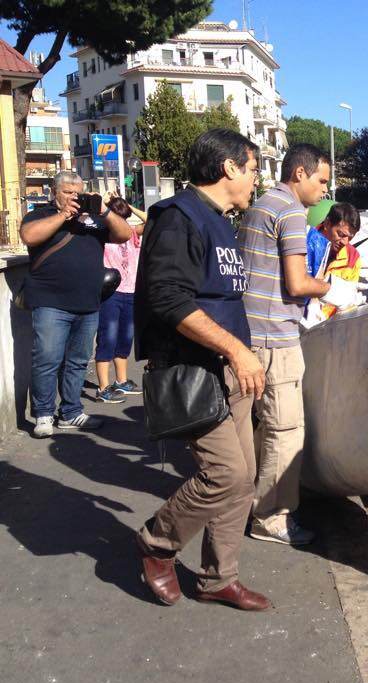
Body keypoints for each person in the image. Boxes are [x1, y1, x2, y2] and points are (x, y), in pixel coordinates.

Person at [134, 129, 270, 611]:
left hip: (231, 372)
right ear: (229, 167)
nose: (256, 179)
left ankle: (218, 578)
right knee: (226, 475)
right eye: (252, 169)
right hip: (197, 371)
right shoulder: (177, 217)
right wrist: (237, 350)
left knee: (244, 479)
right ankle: (157, 543)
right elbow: (168, 298)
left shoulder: (218, 220)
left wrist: (242, 358)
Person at [239, 143, 333, 545]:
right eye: (322, 180)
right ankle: (271, 515)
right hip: (275, 337)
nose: (325, 190)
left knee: (264, 428)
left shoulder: (261, 205)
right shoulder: (293, 212)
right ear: (300, 174)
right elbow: (297, 283)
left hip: (254, 333)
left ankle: (257, 501)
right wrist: (331, 288)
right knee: (286, 429)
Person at [19, 171, 134, 438]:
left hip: (88, 302)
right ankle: (44, 414)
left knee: (78, 361)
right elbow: (28, 236)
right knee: (47, 360)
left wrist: (104, 210)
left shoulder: (93, 218)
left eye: (77, 192)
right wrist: (63, 216)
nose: (73, 197)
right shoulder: (41, 214)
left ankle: (71, 412)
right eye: (67, 192)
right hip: (50, 302)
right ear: (54, 193)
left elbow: (124, 233)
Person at [94, 196, 144, 403]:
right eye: (120, 217)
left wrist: (127, 204)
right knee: (108, 337)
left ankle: (121, 381)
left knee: (126, 338)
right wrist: (105, 207)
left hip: (132, 292)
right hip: (111, 293)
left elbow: (152, 220)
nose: (123, 222)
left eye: (126, 217)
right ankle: (103, 386)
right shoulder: (103, 235)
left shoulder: (132, 234)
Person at [312, 202, 361, 321]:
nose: (345, 242)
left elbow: (348, 303)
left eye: (350, 238)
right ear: (327, 223)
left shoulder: (353, 257)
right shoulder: (305, 243)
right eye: (341, 234)